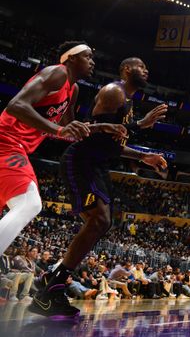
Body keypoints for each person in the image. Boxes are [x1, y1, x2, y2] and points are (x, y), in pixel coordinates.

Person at [30, 57, 168, 318]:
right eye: (141, 66)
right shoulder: (113, 92)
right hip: (81, 161)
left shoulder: (126, 102)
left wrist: (143, 157)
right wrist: (139, 125)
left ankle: (49, 280)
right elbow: (89, 132)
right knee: (99, 220)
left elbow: (111, 144)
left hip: (97, 165)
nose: (146, 70)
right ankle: (50, 289)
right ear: (126, 70)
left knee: (102, 224)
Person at [0, 41, 96, 262]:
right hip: (6, 140)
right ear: (71, 58)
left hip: (17, 146)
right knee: (29, 203)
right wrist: (60, 129)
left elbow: (70, 128)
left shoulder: (73, 89)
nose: (92, 62)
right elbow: (16, 105)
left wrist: (98, 129)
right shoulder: (57, 73)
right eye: (87, 56)